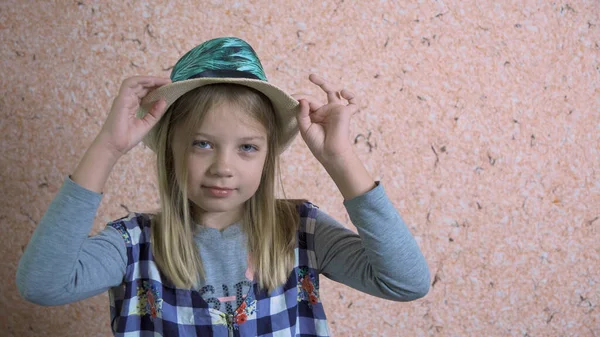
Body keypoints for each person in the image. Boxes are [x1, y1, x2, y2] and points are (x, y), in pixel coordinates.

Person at [16, 37, 430, 336]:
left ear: (268, 157)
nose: (223, 167)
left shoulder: (300, 231)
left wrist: (341, 160)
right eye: (202, 144)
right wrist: (107, 147)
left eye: (247, 147)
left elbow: (405, 282)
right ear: (170, 151)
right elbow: (43, 284)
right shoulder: (134, 244)